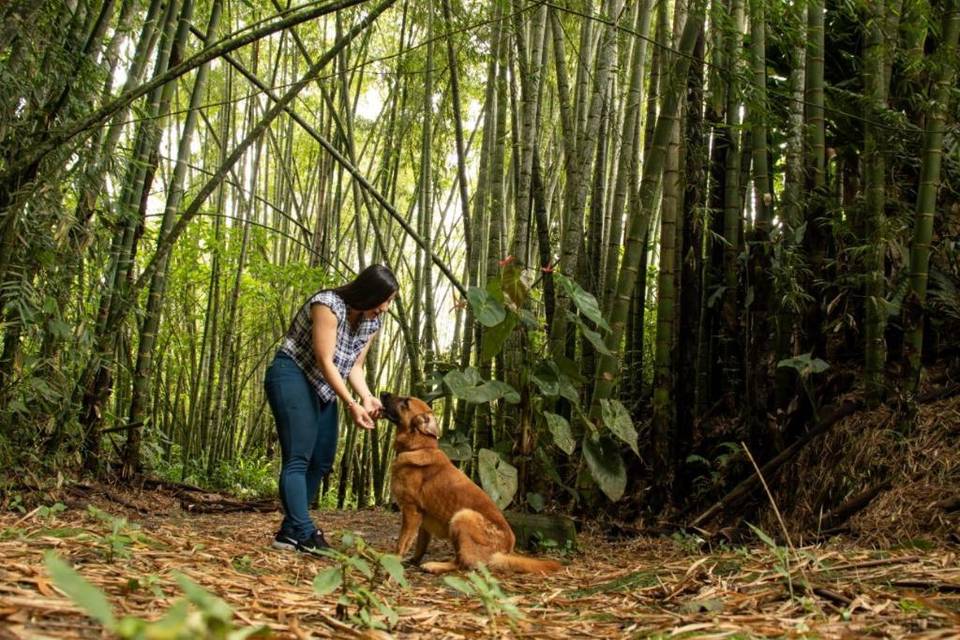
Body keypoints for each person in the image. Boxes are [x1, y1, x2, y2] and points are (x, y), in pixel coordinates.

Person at [265, 264, 397, 554]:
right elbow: (325, 360)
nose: (386, 308)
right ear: (369, 293)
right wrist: (350, 403)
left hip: (324, 387)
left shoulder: (372, 321)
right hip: (293, 373)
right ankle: (304, 531)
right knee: (299, 456)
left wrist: (366, 397)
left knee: (322, 459)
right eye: (384, 300)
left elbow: (355, 366)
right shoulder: (327, 305)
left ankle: (288, 532)